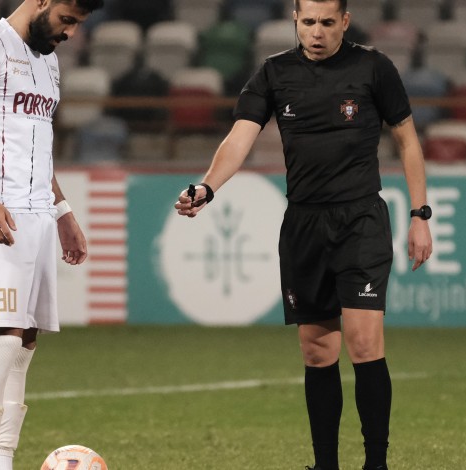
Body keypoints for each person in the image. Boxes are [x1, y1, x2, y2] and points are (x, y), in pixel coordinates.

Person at [174, 1, 432, 469]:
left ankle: (377, 463)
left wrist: (420, 213)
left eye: (327, 23)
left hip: (361, 221)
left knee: (365, 343)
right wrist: (207, 186)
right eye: (308, 22)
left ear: (345, 22)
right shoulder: (274, 73)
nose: (317, 32)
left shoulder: (374, 68)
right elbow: (240, 136)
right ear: (295, 20)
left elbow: (407, 139)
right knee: (317, 351)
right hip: (304, 225)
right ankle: (325, 464)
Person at [0, 0, 101, 468]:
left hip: (39, 216)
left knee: (25, 344)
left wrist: (64, 212)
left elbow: (38, 145)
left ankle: (3, 460)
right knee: (3, 338)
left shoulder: (48, 62)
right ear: (43, 2)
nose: (69, 33)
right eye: (67, 19)